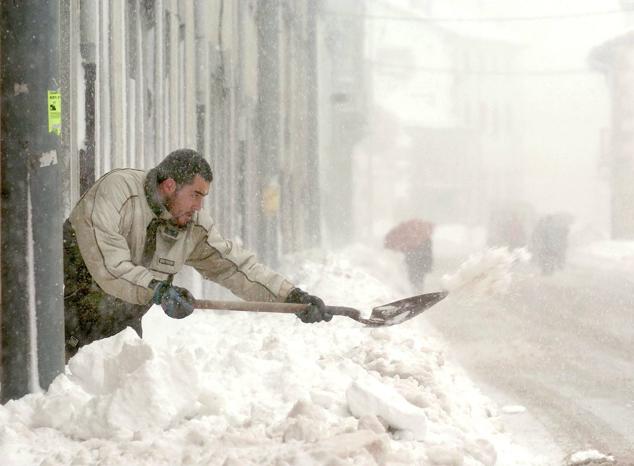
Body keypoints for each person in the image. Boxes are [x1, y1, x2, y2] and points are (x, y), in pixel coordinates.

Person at [63, 149, 331, 360]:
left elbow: (235, 267)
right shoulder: (118, 193)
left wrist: (292, 298)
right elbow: (109, 267)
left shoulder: (190, 224)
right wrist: (157, 290)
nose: (199, 206)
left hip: (114, 340)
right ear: (169, 185)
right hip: (58, 328)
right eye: (195, 195)